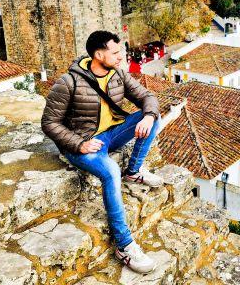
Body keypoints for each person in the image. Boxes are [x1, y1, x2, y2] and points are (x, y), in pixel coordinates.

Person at [41, 30, 162, 273]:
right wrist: (79, 144)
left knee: (152, 118)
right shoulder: (68, 82)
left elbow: (146, 96)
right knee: (110, 172)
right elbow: (49, 123)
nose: (121, 57)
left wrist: (148, 115)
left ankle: (134, 170)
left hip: (110, 135)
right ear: (99, 54)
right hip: (82, 144)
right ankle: (124, 244)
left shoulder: (117, 74)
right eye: (115, 52)